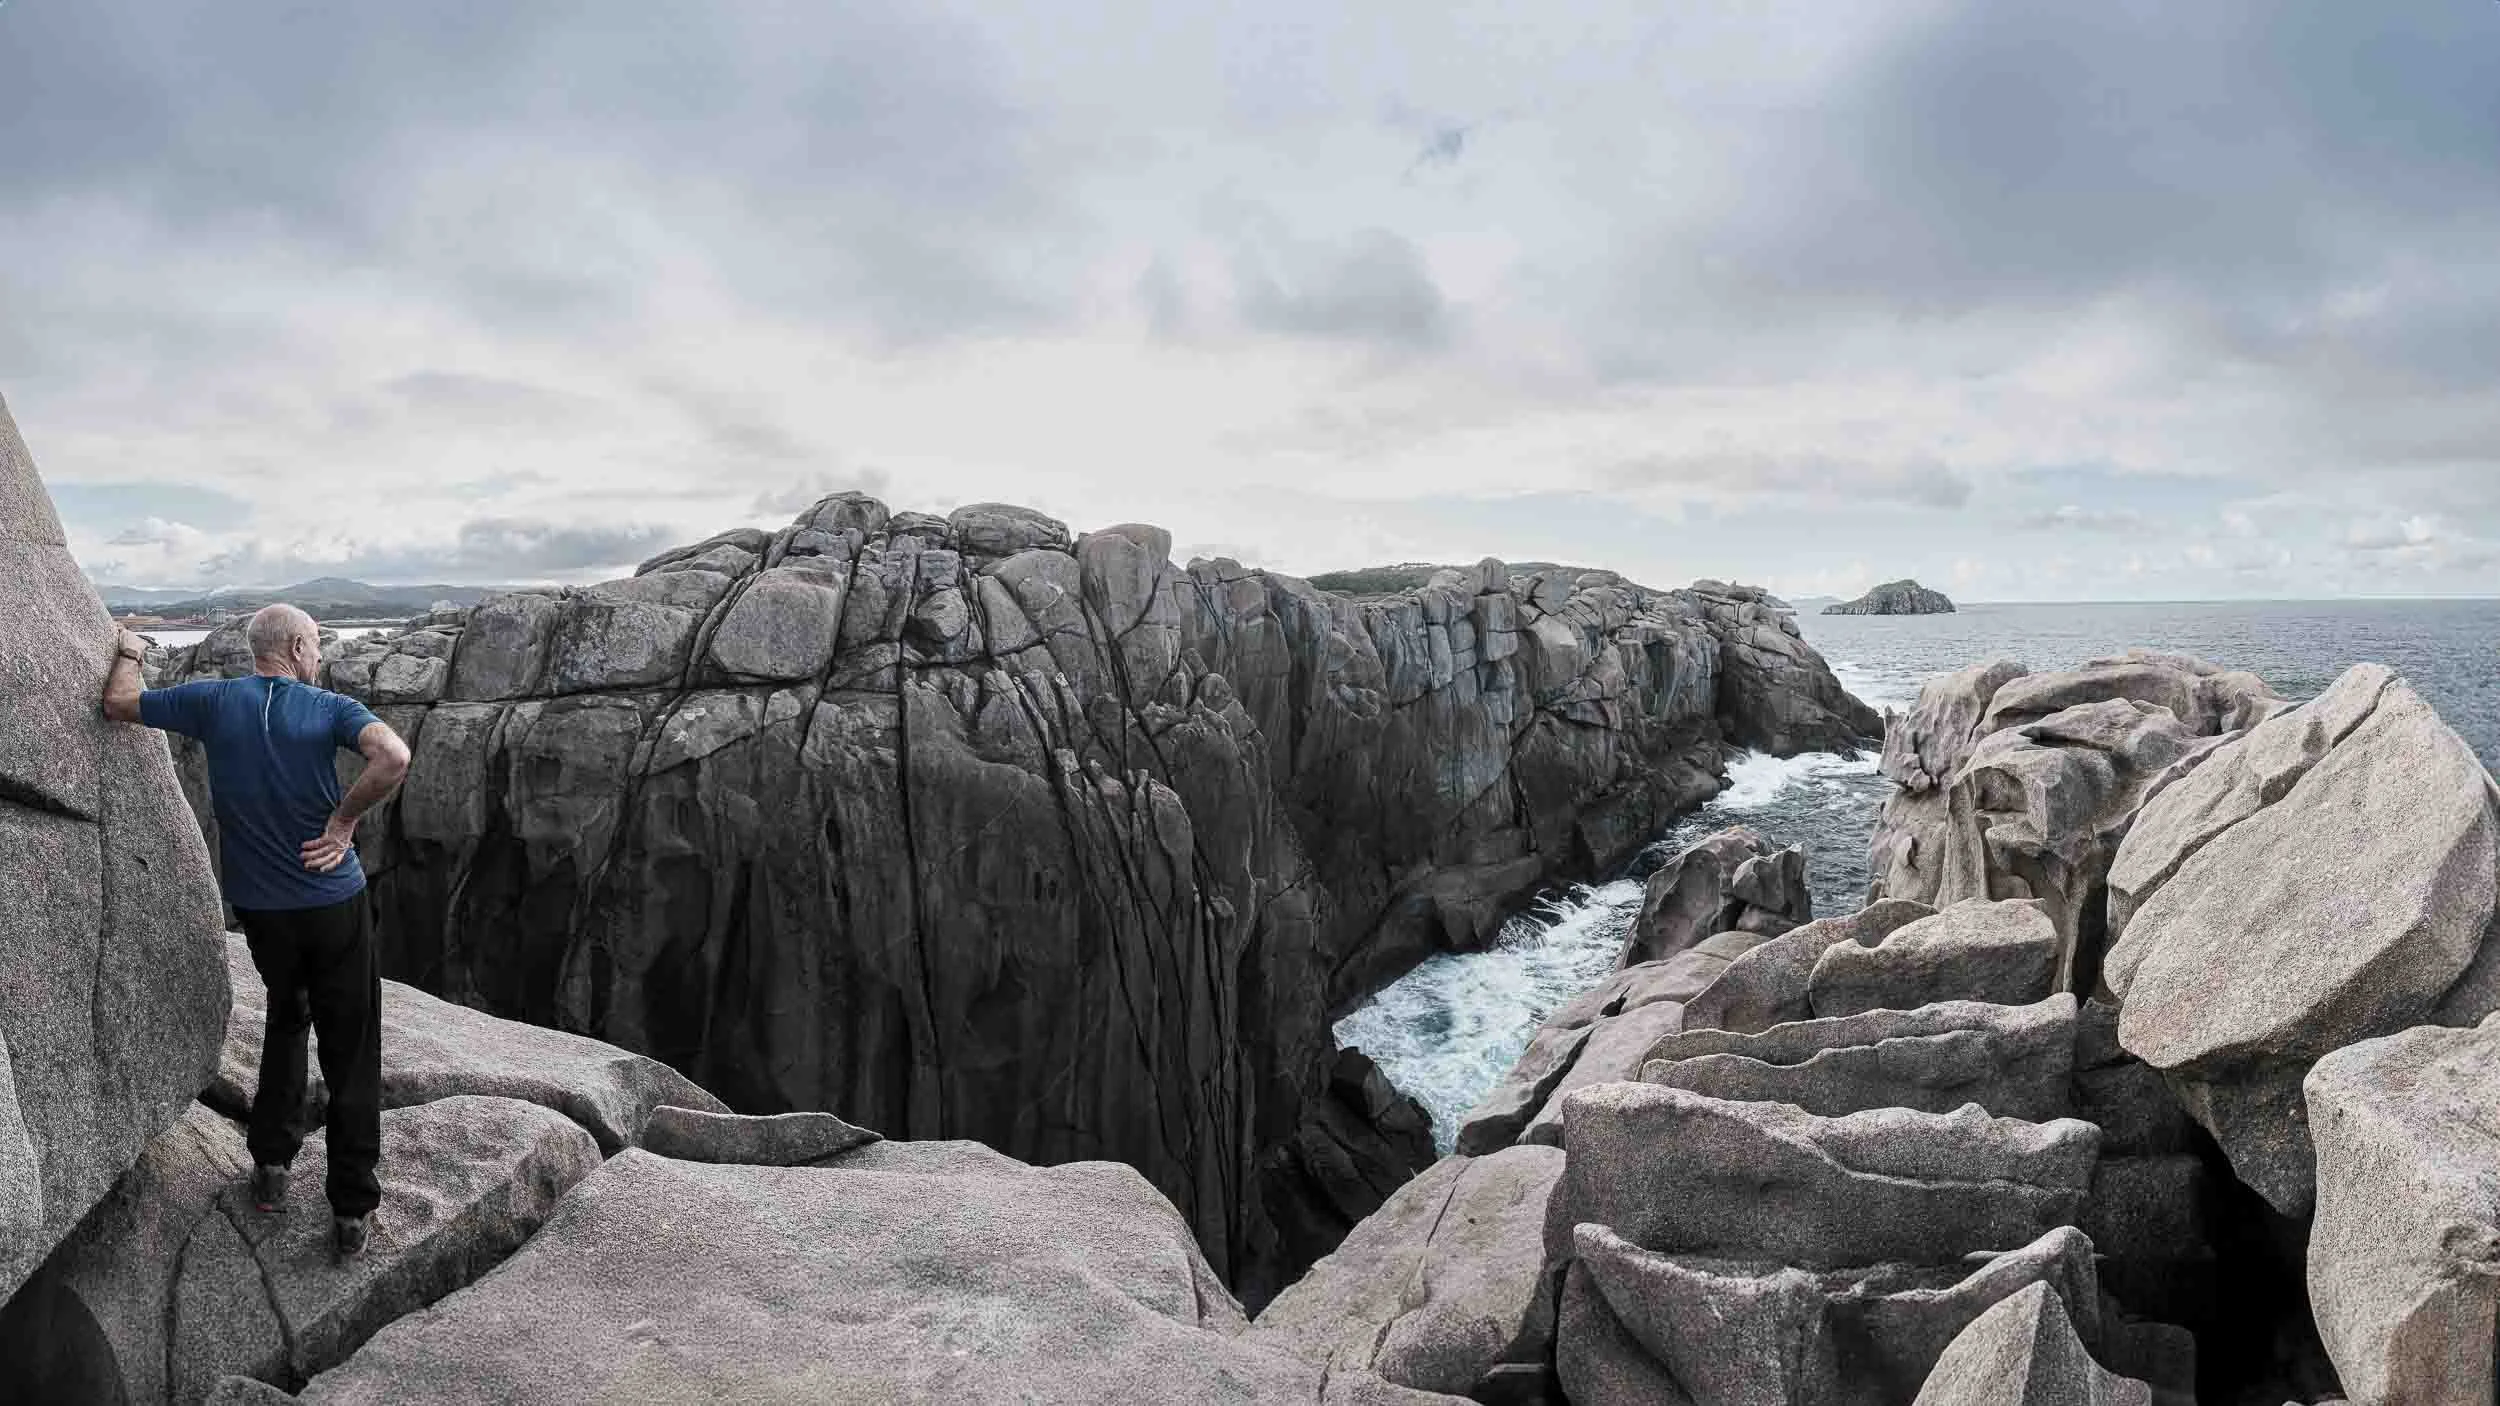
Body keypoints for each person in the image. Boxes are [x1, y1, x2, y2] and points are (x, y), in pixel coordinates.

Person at [102, 604, 411, 1260]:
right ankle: (351, 1207)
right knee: (350, 1050)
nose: (319, 657)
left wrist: (129, 647)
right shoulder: (330, 708)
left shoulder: (213, 701)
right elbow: (393, 756)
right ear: (298, 647)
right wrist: (344, 823)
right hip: (332, 902)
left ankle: (271, 1166)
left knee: (287, 1018)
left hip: (261, 909)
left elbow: (119, 704)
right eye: (316, 645)